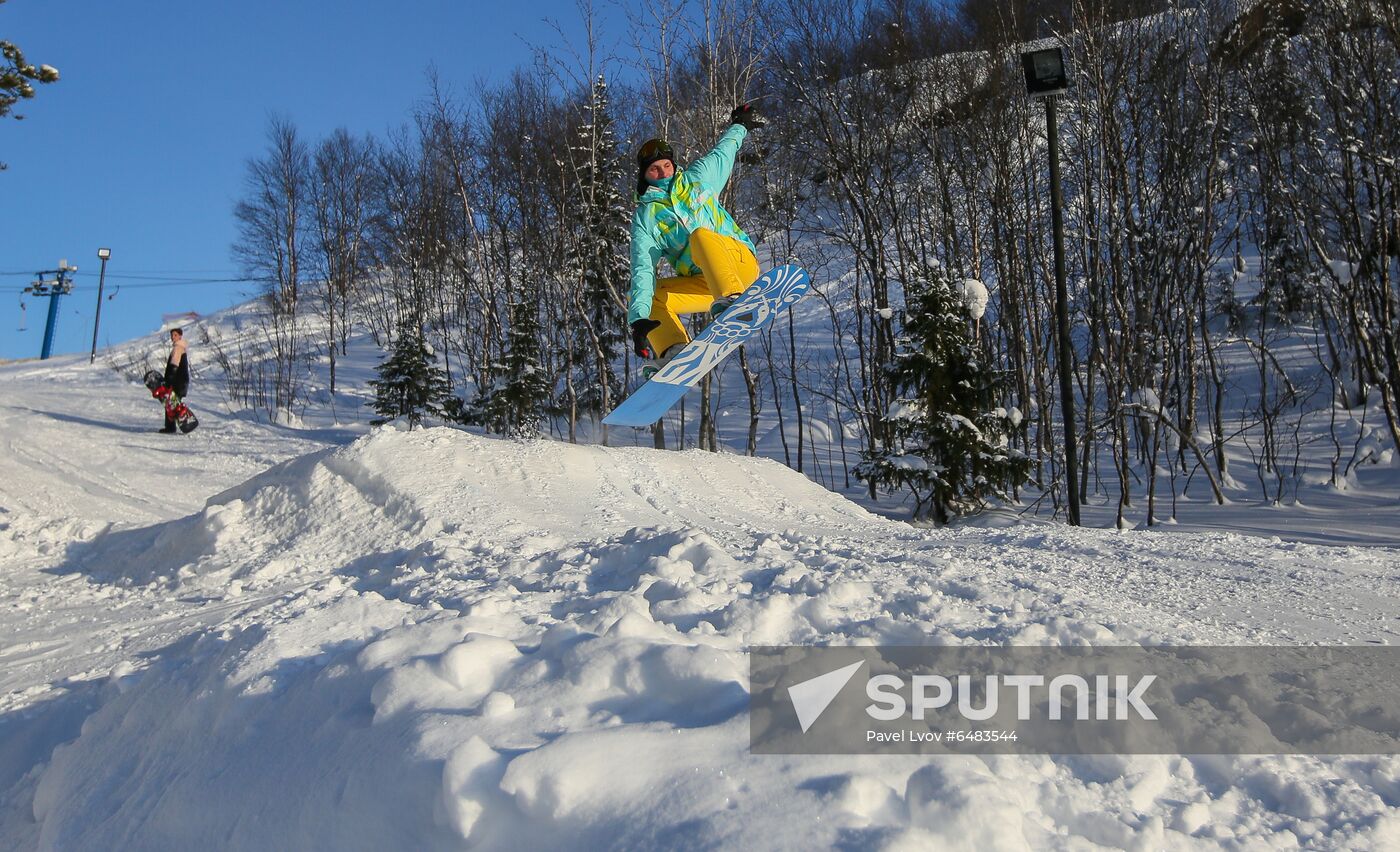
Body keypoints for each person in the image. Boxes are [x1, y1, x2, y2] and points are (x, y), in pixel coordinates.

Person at [627, 103, 768, 366]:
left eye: (666, 165)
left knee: (701, 236)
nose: (663, 173)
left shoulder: (698, 178)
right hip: (705, 287)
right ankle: (674, 351)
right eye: (654, 169)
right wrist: (638, 320)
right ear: (645, 175)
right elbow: (642, 268)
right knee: (650, 296)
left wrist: (740, 125)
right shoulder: (646, 218)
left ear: (673, 164)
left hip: (738, 266)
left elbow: (723, 152)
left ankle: (734, 300)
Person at [159, 327, 190, 433]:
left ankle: (171, 427)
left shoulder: (178, 348)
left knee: (170, 403)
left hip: (177, 382)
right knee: (174, 404)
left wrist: (168, 381)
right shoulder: (182, 348)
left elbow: (174, 365)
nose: (173, 337)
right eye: (172, 335)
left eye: (175, 335)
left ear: (180, 336)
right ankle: (176, 425)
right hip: (182, 382)